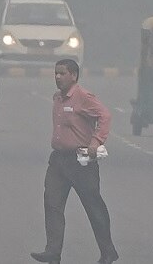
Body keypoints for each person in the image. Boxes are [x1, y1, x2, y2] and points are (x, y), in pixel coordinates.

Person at [31, 59, 119, 264]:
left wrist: (96, 142)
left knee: (93, 205)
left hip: (81, 162)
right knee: (52, 204)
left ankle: (108, 251)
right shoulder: (57, 98)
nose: (58, 77)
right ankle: (53, 251)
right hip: (58, 161)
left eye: (62, 73)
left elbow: (105, 116)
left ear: (74, 76)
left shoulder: (83, 97)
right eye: (56, 73)